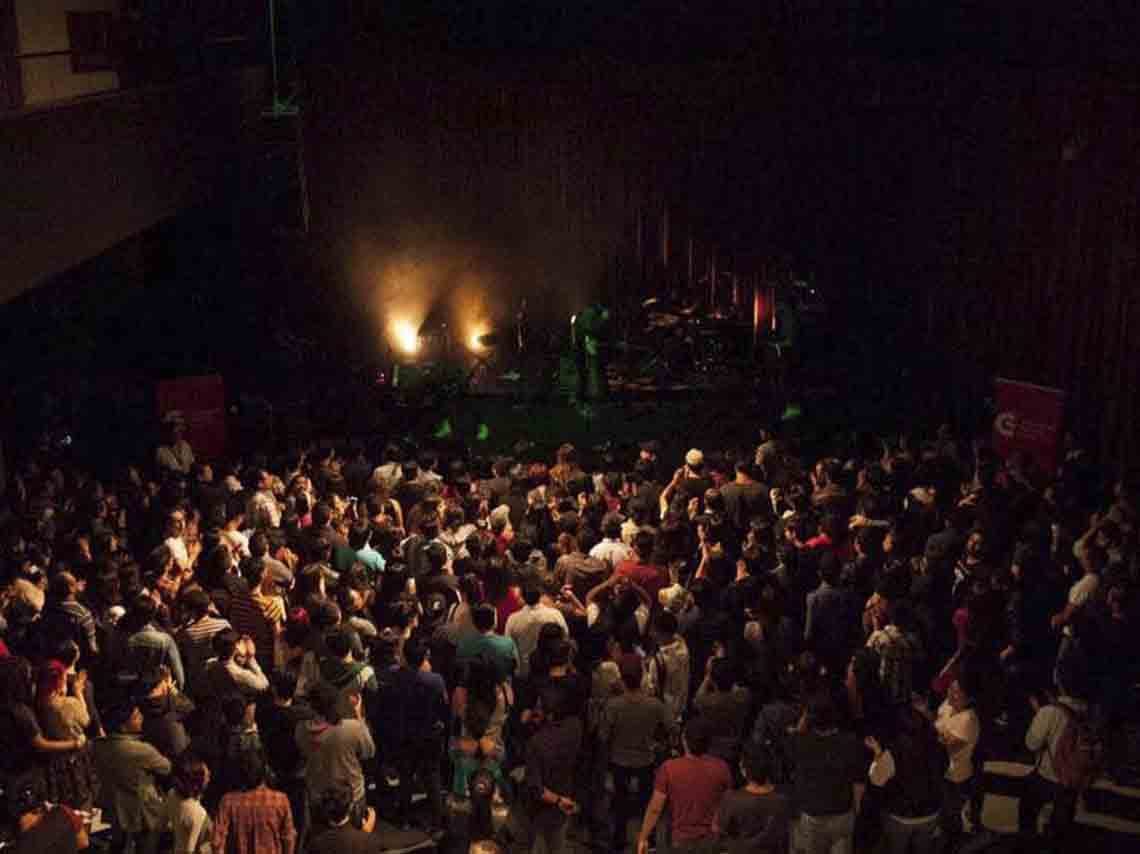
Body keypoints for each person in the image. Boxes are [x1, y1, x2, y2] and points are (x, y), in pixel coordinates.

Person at [1018, 659, 1092, 847]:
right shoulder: (1090, 711)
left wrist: (1038, 713)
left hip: (1048, 776)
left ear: (1059, 681)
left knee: (1027, 804)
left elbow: (1031, 744)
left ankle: (1027, 842)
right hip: (1073, 778)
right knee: (1063, 823)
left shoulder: (1050, 711)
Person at [601, 656, 669, 852]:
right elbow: (671, 728)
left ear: (622, 678)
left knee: (620, 802)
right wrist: (658, 743)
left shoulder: (614, 705)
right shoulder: (654, 704)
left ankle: (618, 841)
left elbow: (604, 735)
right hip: (645, 758)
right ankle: (649, 839)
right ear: (641, 677)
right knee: (647, 802)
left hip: (619, 759)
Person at [783, 692, 865, 854]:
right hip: (843, 810)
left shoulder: (800, 742)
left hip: (812, 813)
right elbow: (859, 781)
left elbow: (792, 741)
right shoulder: (850, 742)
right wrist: (856, 810)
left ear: (809, 719)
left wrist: (804, 720)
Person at [636, 717, 732, 854]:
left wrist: (643, 836)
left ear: (684, 741)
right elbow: (727, 804)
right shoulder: (722, 767)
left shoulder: (669, 768)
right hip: (712, 840)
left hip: (680, 840)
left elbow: (655, 809)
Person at [92, 701, 173, 854]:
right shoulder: (141, 750)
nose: (141, 717)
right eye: (136, 716)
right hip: (142, 812)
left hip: (115, 809)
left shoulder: (97, 746)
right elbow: (166, 767)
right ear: (123, 726)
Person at [866, 704, 946, 854]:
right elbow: (944, 769)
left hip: (901, 816)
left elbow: (876, 779)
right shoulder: (938, 746)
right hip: (931, 812)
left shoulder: (893, 752)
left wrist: (877, 754)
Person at [519, 681, 583, 854]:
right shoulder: (576, 726)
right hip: (565, 797)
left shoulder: (536, 743)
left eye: (540, 706)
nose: (536, 708)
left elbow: (536, 789)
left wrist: (558, 801)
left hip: (542, 809)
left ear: (550, 714)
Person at [296, 682, 376, 814]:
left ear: (310, 705)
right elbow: (369, 752)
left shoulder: (301, 729)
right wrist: (359, 717)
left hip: (318, 794)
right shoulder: (353, 728)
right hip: (351, 795)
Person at [931, 672, 981, 853]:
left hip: (955, 776)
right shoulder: (947, 705)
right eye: (950, 689)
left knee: (952, 817)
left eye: (956, 692)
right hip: (942, 771)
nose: (950, 694)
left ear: (969, 698)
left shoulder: (968, 719)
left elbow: (948, 748)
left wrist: (929, 724)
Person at [212, 750, 297, 854]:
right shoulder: (280, 800)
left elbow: (217, 842)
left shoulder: (228, 802)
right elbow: (289, 840)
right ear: (265, 770)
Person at [715, 743, 791, 854]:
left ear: (744, 770)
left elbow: (720, 836)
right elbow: (784, 841)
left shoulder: (732, 799)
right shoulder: (782, 801)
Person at [505, 580, 568, 681]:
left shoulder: (513, 619)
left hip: (525, 673)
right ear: (540, 595)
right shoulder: (555, 614)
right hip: (551, 671)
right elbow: (565, 637)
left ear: (522, 597)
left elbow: (509, 649)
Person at [165, 753, 213, 854]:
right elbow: (188, 850)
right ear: (197, 782)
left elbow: (159, 826)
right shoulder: (197, 812)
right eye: (206, 774)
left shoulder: (172, 794)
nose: (209, 774)